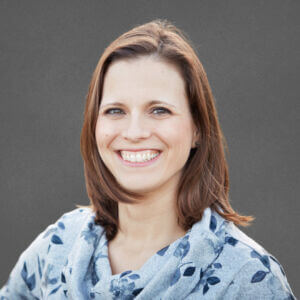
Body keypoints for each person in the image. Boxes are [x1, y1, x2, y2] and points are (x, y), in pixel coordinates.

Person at [0, 19, 295, 300]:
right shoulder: (59, 246)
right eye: (116, 110)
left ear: (198, 130)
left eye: (159, 110)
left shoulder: (249, 278)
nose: (134, 132)